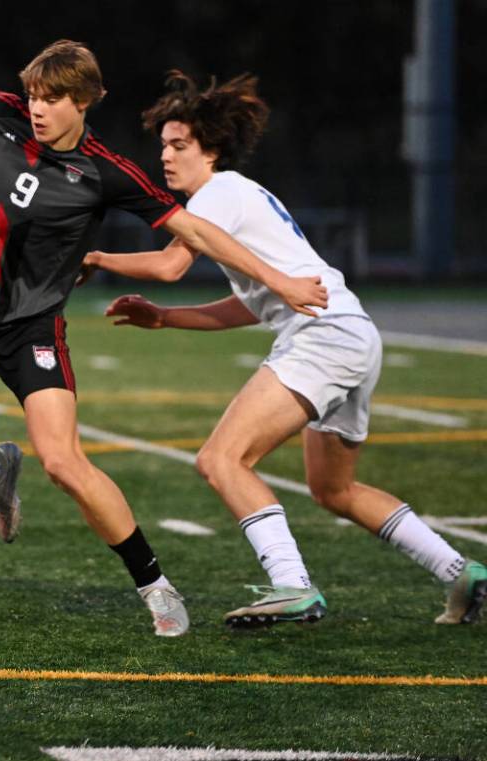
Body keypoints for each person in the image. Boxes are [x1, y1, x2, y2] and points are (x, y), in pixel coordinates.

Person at [0, 41, 329, 638]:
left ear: (86, 101)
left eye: (53, 98)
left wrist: (279, 281)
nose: (37, 107)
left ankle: (155, 585)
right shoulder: (6, 116)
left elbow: (194, 232)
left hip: (32, 329)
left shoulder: (107, 173)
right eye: (35, 94)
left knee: (65, 463)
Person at [81, 70, 485, 627]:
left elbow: (171, 264)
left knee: (222, 459)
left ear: (212, 150)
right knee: (333, 489)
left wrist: (97, 259)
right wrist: (165, 319)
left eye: (179, 146)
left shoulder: (218, 194)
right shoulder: (236, 197)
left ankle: (291, 585)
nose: (167, 158)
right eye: (164, 147)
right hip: (351, 332)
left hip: (323, 336)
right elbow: (249, 305)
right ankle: (463, 573)